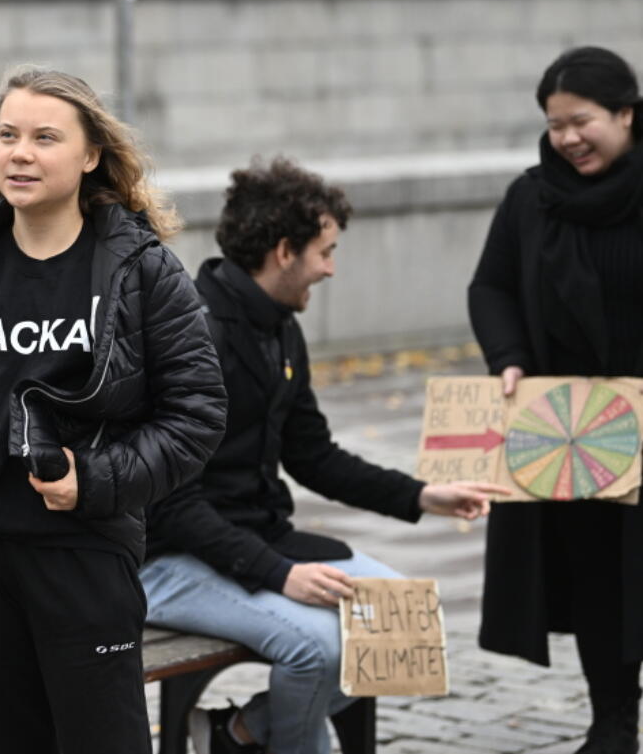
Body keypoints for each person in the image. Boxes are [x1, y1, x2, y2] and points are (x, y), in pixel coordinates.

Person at [0, 67, 227, 754]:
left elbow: (198, 413)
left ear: (91, 154)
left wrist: (93, 479)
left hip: (83, 556)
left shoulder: (140, 269)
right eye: (7, 135)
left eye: (44, 137)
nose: (20, 153)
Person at [144, 158, 505, 754]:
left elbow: (313, 455)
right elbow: (173, 508)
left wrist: (420, 495)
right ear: (285, 250)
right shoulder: (195, 334)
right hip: (170, 561)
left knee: (405, 615)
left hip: (254, 539)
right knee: (317, 647)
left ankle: (234, 736)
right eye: (325, 251)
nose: (332, 269)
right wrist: (280, 574)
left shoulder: (280, 326)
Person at [469, 46, 643, 754]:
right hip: (568, 427)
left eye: (583, 121)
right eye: (555, 123)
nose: (568, 137)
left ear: (627, 114)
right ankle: (613, 724)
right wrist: (508, 357)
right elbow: (491, 286)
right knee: (599, 575)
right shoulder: (530, 196)